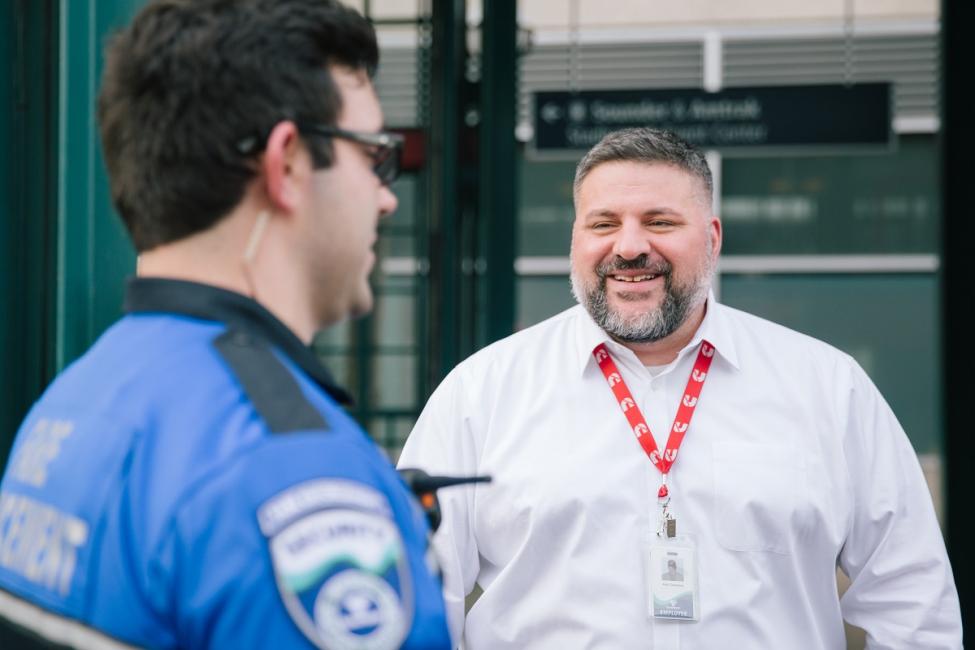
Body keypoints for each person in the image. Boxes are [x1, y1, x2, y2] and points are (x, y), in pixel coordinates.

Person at [398, 127, 962, 648]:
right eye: (603, 224)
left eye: (660, 221)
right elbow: (413, 597)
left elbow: (911, 599)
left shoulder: (829, 389)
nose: (629, 246)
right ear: (576, 239)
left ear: (712, 238)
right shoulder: (481, 393)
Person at [0, 1, 451, 648]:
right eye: (374, 155)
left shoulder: (73, 400)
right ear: (287, 163)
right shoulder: (290, 469)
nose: (387, 194)